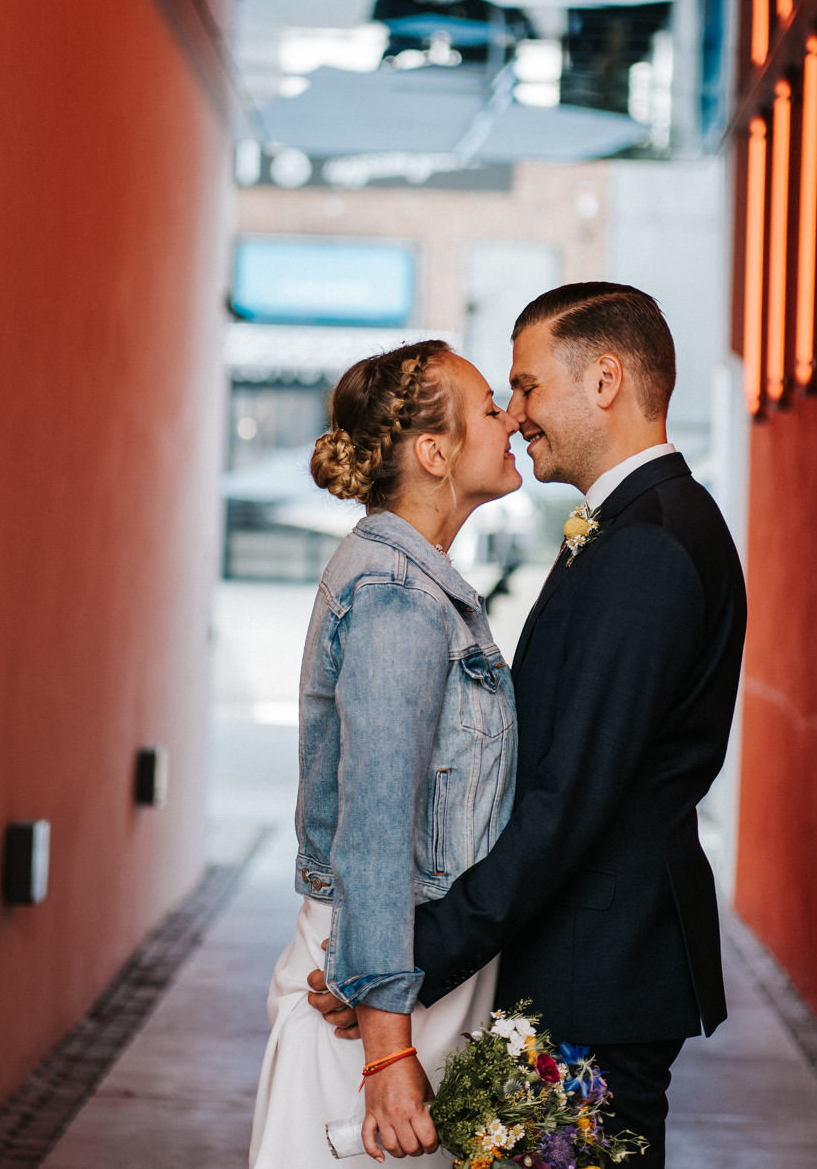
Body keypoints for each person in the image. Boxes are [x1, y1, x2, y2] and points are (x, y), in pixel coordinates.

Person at [310, 284, 747, 1169]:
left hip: (597, 974)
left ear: (606, 380)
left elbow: (567, 801)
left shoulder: (650, 547)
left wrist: (411, 960)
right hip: (579, 965)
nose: (515, 415)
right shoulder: (630, 528)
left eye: (528, 385)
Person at [249, 339, 522, 1169]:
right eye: (487, 408)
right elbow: (373, 830)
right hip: (378, 998)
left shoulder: (418, 585)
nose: (509, 418)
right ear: (434, 453)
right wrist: (386, 1052)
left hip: (398, 980)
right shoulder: (397, 599)